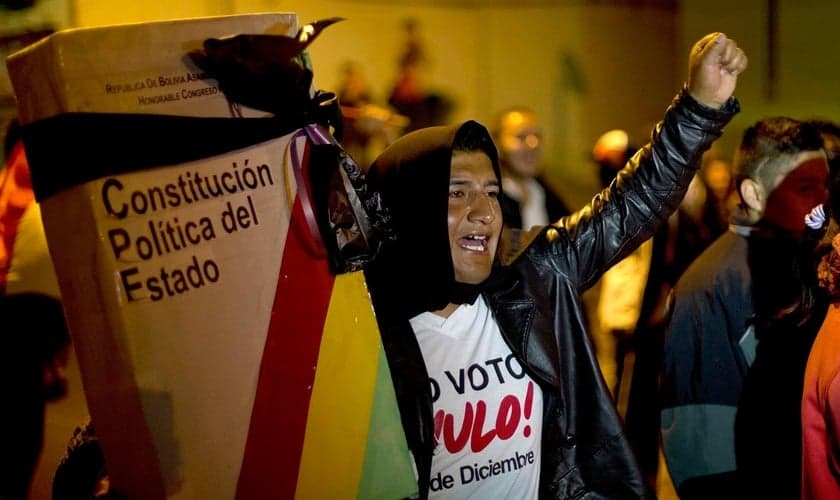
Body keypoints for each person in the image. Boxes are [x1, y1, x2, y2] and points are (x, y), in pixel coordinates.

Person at [363, 32, 746, 499]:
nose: (483, 211)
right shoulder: (364, 334)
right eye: (457, 192)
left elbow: (629, 205)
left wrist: (699, 108)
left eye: (490, 192)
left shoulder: (533, 274)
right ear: (408, 209)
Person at [660, 116, 830, 499]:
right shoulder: (709, 288)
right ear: (754, 195)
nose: (821, 202)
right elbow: (703, 450)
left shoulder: (814, 262)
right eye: (803, 187)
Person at [0, 119, 70, 499]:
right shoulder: (40, 171)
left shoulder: (12, 182)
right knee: (19, 446)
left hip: (23, 307)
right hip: (23, 311)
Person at [493, 107, 572, 229]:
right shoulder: (489, 200)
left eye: (537, 136)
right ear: (496, 144)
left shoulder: (547, 195)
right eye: (521, 137)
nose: (533, 144)